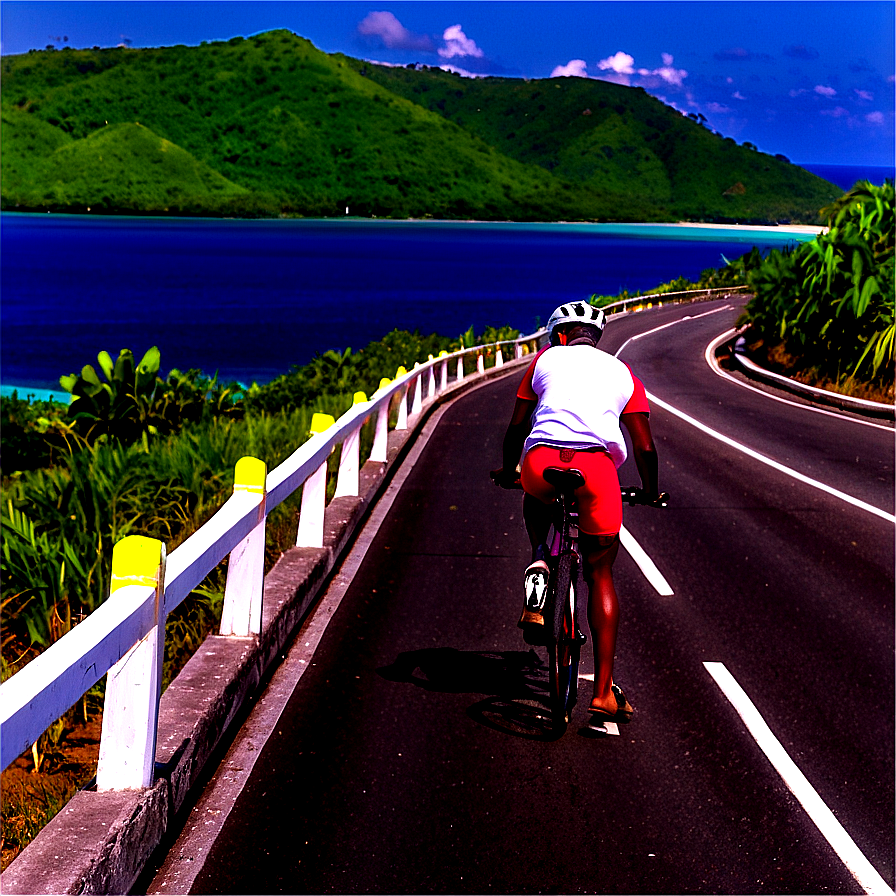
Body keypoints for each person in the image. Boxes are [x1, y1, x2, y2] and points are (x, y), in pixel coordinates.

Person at [491, 301, 664, 723]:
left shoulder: (544, 361)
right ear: (594, 338)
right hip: (597, 471)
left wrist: (508, 468)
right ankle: (602, 693)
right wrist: (650, 491)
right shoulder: (624, 374)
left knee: (536, 499)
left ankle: (539, 560)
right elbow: (644, 446)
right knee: (600, 574)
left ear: (560, 336)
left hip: (541, 461)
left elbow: (517, 426)